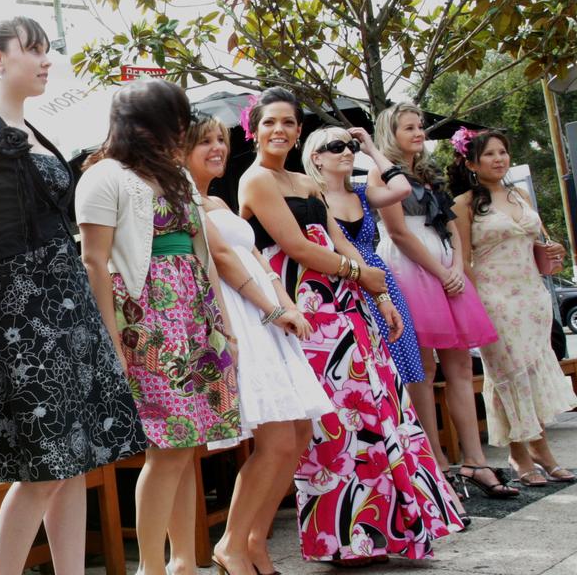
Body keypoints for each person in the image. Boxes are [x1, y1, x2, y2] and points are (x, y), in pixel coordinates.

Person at [0, 17, 145, 575]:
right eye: (33, 49)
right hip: (23, 310)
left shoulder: (34, 131)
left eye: (46, 49)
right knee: (43, 471)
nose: (45, 59)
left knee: (76, 462)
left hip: (68, 302)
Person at [240, 88, 462, 566]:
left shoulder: (304, 180)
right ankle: (343, 539)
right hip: (305, 310)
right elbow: (295, 246)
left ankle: (383, 534)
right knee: (333, 426)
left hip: (349, 308)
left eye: (288, 122)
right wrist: (363, 274)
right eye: (270, 122)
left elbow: (339, 238)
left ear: (298, 131)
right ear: (253, 129)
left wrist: (380, 295)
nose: (280, 130)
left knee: (376, 412)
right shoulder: (255, 180)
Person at [77, 82, 244, 575]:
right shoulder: (104, 176)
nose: (179, 130)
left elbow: (203, 252)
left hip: (193, 314)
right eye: (171, 120)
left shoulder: (175, 175)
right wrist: (110, 338)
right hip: (145, 318)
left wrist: (223, 321)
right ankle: (152, 566)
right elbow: (94, 261)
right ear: (142, 123)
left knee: (188, 445)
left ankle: (182, 561)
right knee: (168, 446)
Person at [184, 114, 332, 575]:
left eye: (220, 141)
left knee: (299, 433)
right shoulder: (184, 201)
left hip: (267, 316)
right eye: (204, 141)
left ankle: (253, 540)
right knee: (276, 437)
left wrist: (286, 303)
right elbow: (224, 261)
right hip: (240, 317)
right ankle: (231, 544)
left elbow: (256, 259)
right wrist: (270, 310)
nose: (216, 148)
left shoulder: (218, 202)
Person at [372, 103, 517, 498]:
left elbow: (451, 223)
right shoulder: (380, 172)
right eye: (409, 128)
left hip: (445, 266)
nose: (419, 133)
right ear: (391, 133)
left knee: (458, 365)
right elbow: (398, 233)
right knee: (421, 366)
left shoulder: (430, 173)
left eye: (420, 126)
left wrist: (454, 262)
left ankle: (475, 460)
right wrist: (440, 271)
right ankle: (434, 460)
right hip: (408, 268)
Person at [449, 128, 577, 485]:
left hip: (533, 296)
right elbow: (464, 260)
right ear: (472, 162)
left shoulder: (519, 195)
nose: (499, 159)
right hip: (495, 298)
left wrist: (555, 253)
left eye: (503, 152)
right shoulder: (464, 204)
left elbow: (540, 242)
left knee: (533, 371)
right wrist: (479, 303)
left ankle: (536, 447)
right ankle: (523, 451)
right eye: (490, 154)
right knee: (508, 374)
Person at [302, 126, 424, 386]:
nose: (347, 152)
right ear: (316, 157)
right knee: (370, 363)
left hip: (380, 279)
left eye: (351, 147)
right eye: (337, 147)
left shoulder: (361, 191)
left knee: (403, 358)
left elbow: (401, 189)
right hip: (342, 282)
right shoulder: (312, 197)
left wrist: (370, 148)